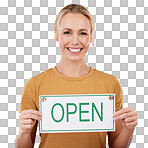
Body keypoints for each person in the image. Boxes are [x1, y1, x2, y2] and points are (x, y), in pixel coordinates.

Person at [15, 4, 138, 148]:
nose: (75, 41)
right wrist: (23, 131)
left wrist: (129, 129)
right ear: (56, 34)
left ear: (91, 37)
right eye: (67, 32)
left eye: (83, 33)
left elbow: (116, 146)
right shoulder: (35, 84)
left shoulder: (110, 84)